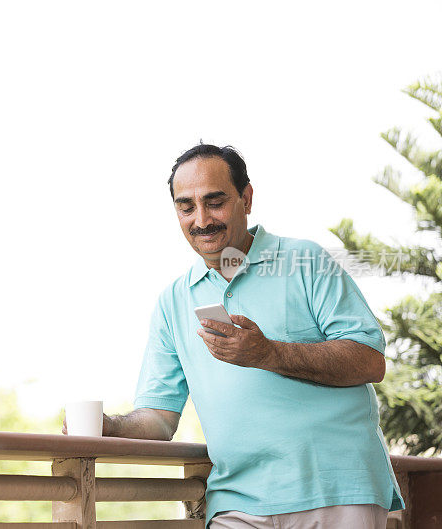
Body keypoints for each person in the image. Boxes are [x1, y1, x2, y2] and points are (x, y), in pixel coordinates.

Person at [63, 144, 405, 529]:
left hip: (339, 489)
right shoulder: (173, 300)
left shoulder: (305, 262)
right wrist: (113, 426)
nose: (201, 219)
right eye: (186, 206)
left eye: (215, 201)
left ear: (247, 197)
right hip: (237, 500)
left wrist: (269, 354)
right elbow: (159, 418)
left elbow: (370, 361)